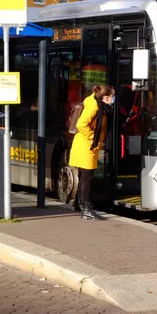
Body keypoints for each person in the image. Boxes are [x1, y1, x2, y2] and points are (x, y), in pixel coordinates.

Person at [69, 84, 115, 220]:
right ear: (106, 97)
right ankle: (86, 209)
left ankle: (79, 203)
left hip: (86, 145)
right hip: (86, 146)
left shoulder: (95, 102)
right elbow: (81, 124)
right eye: (112, 96)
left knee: (84, 176)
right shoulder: (94, 106)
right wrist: (92, 138)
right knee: (86, 178)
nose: (113, 99)